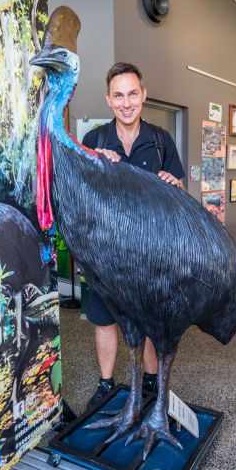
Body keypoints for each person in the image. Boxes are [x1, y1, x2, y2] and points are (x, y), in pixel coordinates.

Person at [82, 62, 185, 409]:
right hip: (105, 253)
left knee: (150, 320)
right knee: (104, 318)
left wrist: (174, 185)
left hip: (150, 254)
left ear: (143, 95)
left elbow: (179, 189)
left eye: (132, 94)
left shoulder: (160, 140)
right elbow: (79, 195)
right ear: (109, 100)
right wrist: (96, 163)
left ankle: (153, 381)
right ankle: (106, 384)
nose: (126, 102)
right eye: (118, 95)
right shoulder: (93, 141)